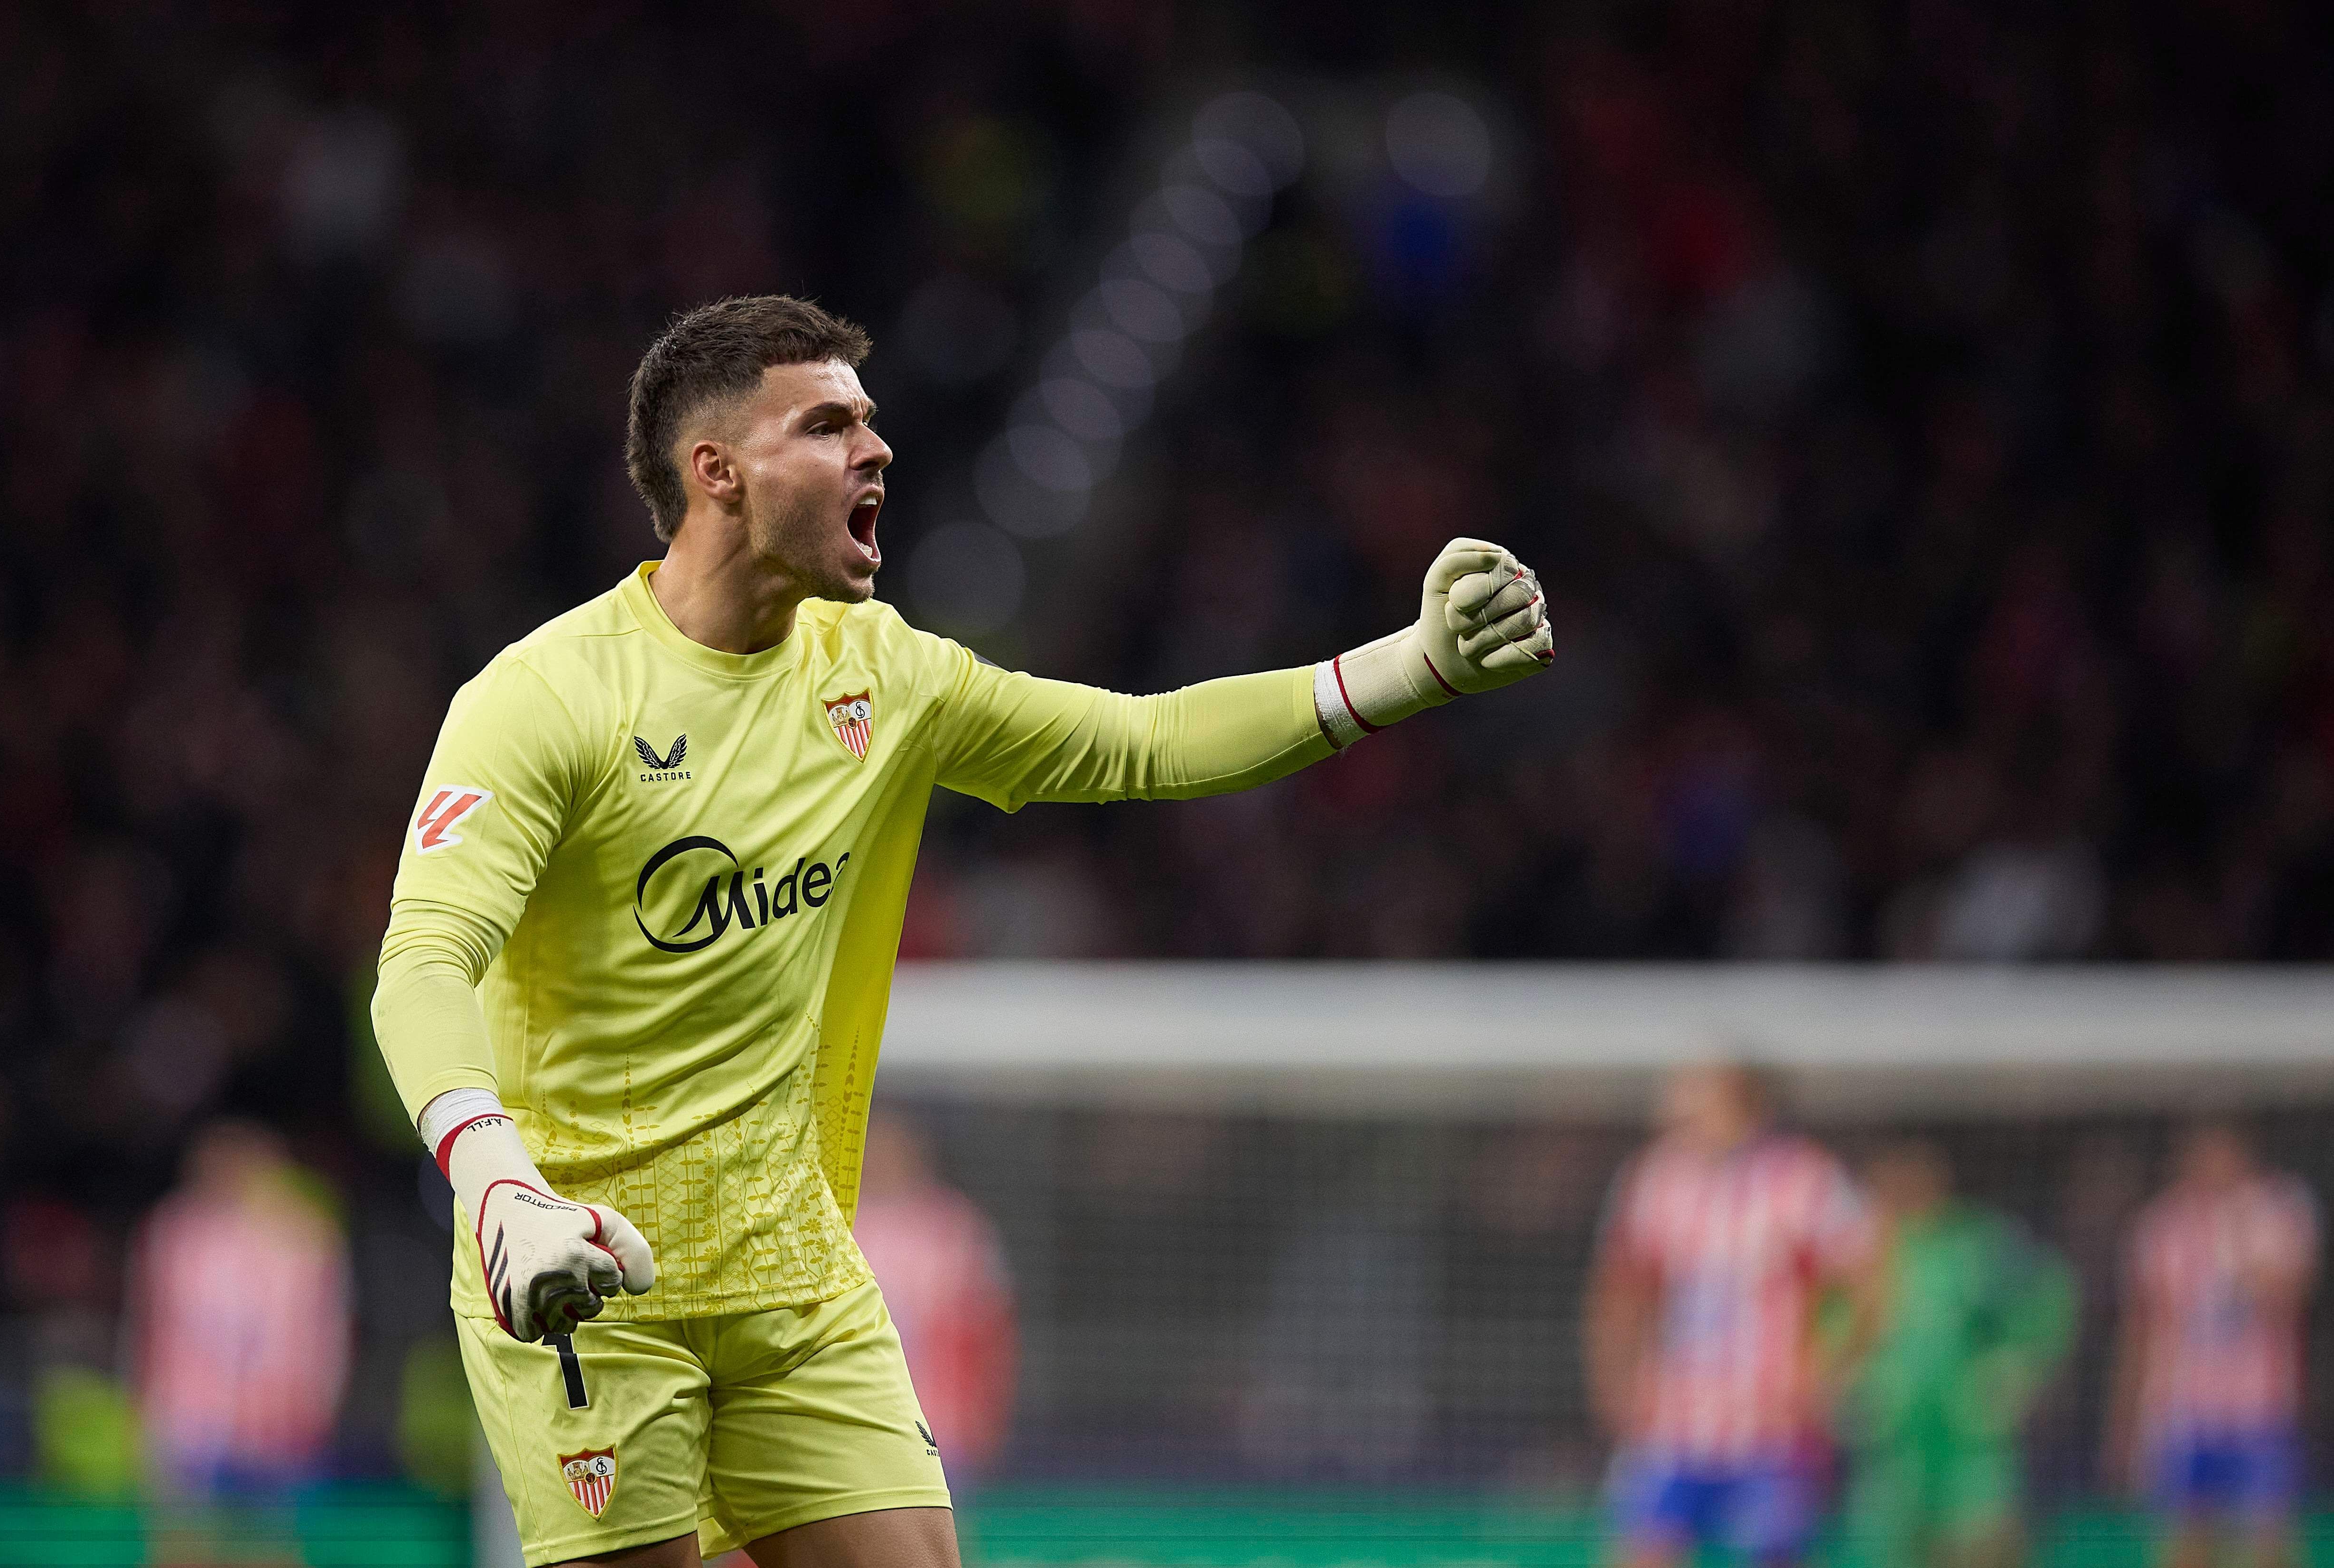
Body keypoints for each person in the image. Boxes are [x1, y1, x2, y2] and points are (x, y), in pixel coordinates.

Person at [369, 294, 1557, 1568]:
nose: (873, 451)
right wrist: (500, 1186)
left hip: (793, 1278)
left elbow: (1140, 742)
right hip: (586, 1271)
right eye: (826, 426)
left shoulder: (882, 673)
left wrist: (1405, 666)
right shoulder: (544, 698)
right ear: (715, 473)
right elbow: (422, 960)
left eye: (870, 424)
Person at [1585, 1062, 1874, 1568]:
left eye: (1698, 1100)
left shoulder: (1803, 1177)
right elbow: (1621, 1289)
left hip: (1774, 1423)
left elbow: (1868, 1279)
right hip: (1674, 1418)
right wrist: (1614, 1375)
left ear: (1744, 1107)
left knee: (1773, 1554)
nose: (1679, 1114)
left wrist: (1834, 1364)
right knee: (1641, 1548)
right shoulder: (1655, 1177)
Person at [1833, 1139, 2076, 1568]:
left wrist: (2013, 1369)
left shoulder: (1977, 1240)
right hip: (1896, 1435)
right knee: (1892, 1544)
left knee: (1981, 1544)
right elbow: (1829, 1322)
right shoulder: (1863, 1250)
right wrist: (1849, 1379)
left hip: (1967, 1433)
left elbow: (2050, 1298)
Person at [2105, 1121, 2318, 1568]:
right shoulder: (2160, 1225)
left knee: (2268, 1541)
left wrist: (2235, 1245)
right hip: (2181, 1409)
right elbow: (2142, 1327)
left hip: (2258, 1407)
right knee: (2185, 1542)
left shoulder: (2279, 1212)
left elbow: (2293, 1297)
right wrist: (2124, 1417)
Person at [128, 1120, 351, 1497]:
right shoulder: (176, 1230)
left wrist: (320, 1407)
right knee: (189, 1544)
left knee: (271, 1546)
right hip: (191, 1426)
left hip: (282, 1426)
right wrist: (149, 1416)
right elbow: (153, 1327)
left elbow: (326, 1337)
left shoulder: (307, 1236)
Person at [849, 1113, 1016, 1491]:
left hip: (940, 1430)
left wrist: (984, 1416)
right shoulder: (839, 1219)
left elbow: (991, 1333)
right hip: (853, 1428)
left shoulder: (958, 1227)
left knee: (936, 1538)